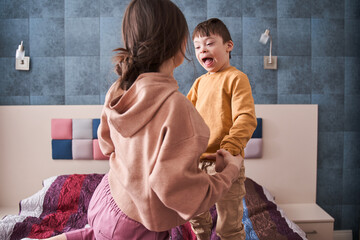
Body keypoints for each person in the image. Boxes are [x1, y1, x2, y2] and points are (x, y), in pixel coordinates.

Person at [47, 1, 243, 240]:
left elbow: (106, 144)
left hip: (105, 199)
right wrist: (229, 172)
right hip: (136, 226)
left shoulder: (119, 88)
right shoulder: (177, 107)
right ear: (182, 45)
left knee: (98, 234)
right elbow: (183, 194)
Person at [187, 18, 257, 240]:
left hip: (225, 161)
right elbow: (184, 117)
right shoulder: (199, 83)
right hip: (197, 162)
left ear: (229, 46)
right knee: (196, 216)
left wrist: (228, 149)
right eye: (197, 47)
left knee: (229, 225)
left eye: (209, 43)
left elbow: (245, 117)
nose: (202, 50)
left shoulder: (236, 78)